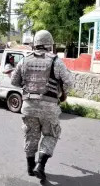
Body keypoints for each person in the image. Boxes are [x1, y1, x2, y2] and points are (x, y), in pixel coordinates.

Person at [11, 30, 72, 180]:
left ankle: (30, 168)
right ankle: (41, 165)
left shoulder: (24, 60)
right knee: (51, 134)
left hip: (28, 106)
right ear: (49, 44)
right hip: (49, 107)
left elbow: (14, 81)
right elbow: (69, 82)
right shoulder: (55, 61)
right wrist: (64, 94)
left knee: (31, 136)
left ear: (35, 44)